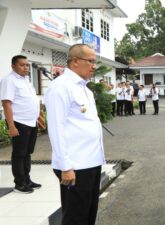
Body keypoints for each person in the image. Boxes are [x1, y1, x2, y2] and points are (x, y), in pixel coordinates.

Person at [45, 44, 105, 225]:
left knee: (88, 214)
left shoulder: (85, 89)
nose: (94, 66)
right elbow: (56, 128)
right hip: (75, 166)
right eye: (91, 61)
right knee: (75, 217)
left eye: (95, 61)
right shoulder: (60, 87)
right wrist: (65, 167)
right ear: (75, 61)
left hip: (91, 162)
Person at [0, 55, 41, 193]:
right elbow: (6, 103)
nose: (26, 67)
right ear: (13, 66)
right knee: (19, 154)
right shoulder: (9, 80)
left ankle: (27, 179)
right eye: (22, 65)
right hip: (19, 122)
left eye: (27, 65)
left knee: (27, 153)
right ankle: (20, 184)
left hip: (31, 122)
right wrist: (11, 126)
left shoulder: (26, 80)